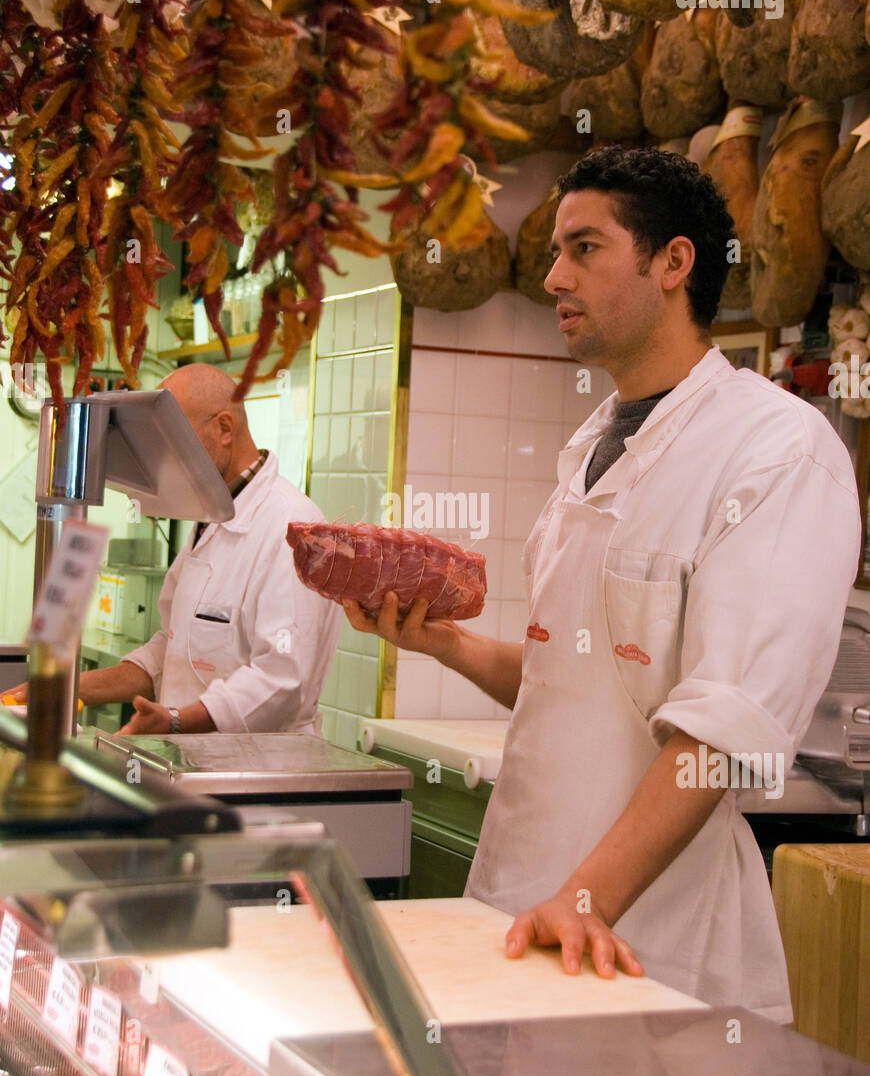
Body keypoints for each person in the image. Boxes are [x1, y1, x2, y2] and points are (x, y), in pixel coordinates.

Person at [344, 146, 861, 1022]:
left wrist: (589, 897)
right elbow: (571, 679)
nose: (553, 276)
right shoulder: (593, 443)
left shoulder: (777, 449)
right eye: (557, 251)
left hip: (643, 938)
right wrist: (448, 644)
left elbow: (725, 726)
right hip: (520, 905)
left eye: (584, 248)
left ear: (673, 263)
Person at [74, 363, 341, 735]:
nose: (165, 456)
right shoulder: (212, 515)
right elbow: (170, 651)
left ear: (225, 429)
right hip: (191, 760)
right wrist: (71, 688)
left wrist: (176, 720)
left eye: (174, 438)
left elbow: (282, 681)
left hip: (258, 768)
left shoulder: (294, 527)